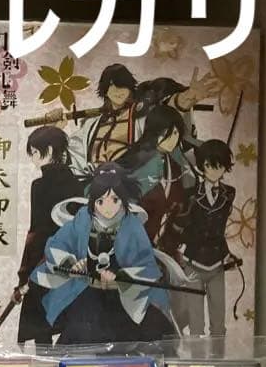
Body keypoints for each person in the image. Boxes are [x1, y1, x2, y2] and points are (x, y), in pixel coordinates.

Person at [30, 163, 174, 344]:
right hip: (86, 291)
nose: (108, 208)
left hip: (122, 296)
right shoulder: (83, 218)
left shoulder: (132, 225)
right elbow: (58, 244)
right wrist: (71, 265)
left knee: (143, 334)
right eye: (100, 201)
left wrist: (121, 278)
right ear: (93, 201)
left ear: (123, 199)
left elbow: (145, 265)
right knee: (80, 327)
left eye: (114, 200)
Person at [42, 64, 212, 177]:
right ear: (105, 89)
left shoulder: (142, 115)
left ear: (130, 87)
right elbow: (73, 154)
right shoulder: (92, 123)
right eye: (112, 85)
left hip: (130, 182)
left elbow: (166, 116)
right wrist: (53, 131)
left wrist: (187, 98)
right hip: (94, 184)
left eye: (122, 85)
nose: (118, 90)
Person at [13, 127, 84, 343]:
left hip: (43, 257)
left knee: (40, 325)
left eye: (35, 152)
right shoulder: (77, 184)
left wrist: (25, 272)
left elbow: (36, 231)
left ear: (50, 150)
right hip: (72, 257)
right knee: (67, 316)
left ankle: (44, 362)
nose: (33, 158)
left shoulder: (39, 186)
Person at [178, 140, 237, 337]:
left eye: (219, 165)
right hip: (193, 261)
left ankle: (219, 356)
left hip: (217, 262)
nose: (214, 170)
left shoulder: (229, 193)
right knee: (195, 323)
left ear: (225, 167)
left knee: (218, 321)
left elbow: (219, 229)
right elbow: (182, 224)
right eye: (209, 165)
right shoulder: (191, 194)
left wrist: (227, 254)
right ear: (202, 165)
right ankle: (196, 357)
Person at [118, 104, 196, 253]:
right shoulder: (134, 160)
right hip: (129, 243)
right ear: (153, 131)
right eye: (166, 132)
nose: (172, 139)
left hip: (161, 244)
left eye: (175, 133)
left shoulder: (175, 166)